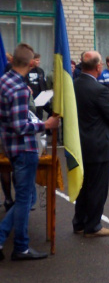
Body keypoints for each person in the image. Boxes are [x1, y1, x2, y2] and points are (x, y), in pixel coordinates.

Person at [0, 44, 59, 261]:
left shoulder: (5, 80)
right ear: (29, 62)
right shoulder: (19, 88)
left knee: (27, 197)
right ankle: (20, 246)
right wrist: (46, 125)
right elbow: (19, 125)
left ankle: (11, 240)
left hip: (13, 147)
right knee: (26, 198)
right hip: (23, 147)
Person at [72, 52, 109, 238]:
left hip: (79, 143)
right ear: (98, 67)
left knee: (83, 185)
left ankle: (79, 222)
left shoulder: (73, 85)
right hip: (98, 144)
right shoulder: (99, 89)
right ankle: (93, 226)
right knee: (97, 187)